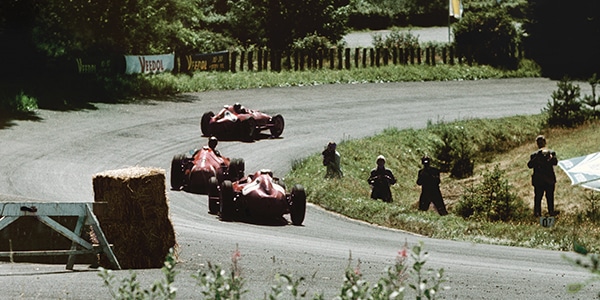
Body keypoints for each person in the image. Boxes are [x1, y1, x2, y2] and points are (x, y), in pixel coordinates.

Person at [527, 135, 559, 217]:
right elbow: (530, 165)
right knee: (538, 198)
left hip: (547, 180)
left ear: (545, 142)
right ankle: (537, 213)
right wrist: (537, 157)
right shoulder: (534, 155)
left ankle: (551, 212)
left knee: (550, 197)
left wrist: (550, 157)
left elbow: (555, 162)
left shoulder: (551, 153)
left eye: (541, 142)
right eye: (539, 142)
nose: (540, 144)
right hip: (540, 180)